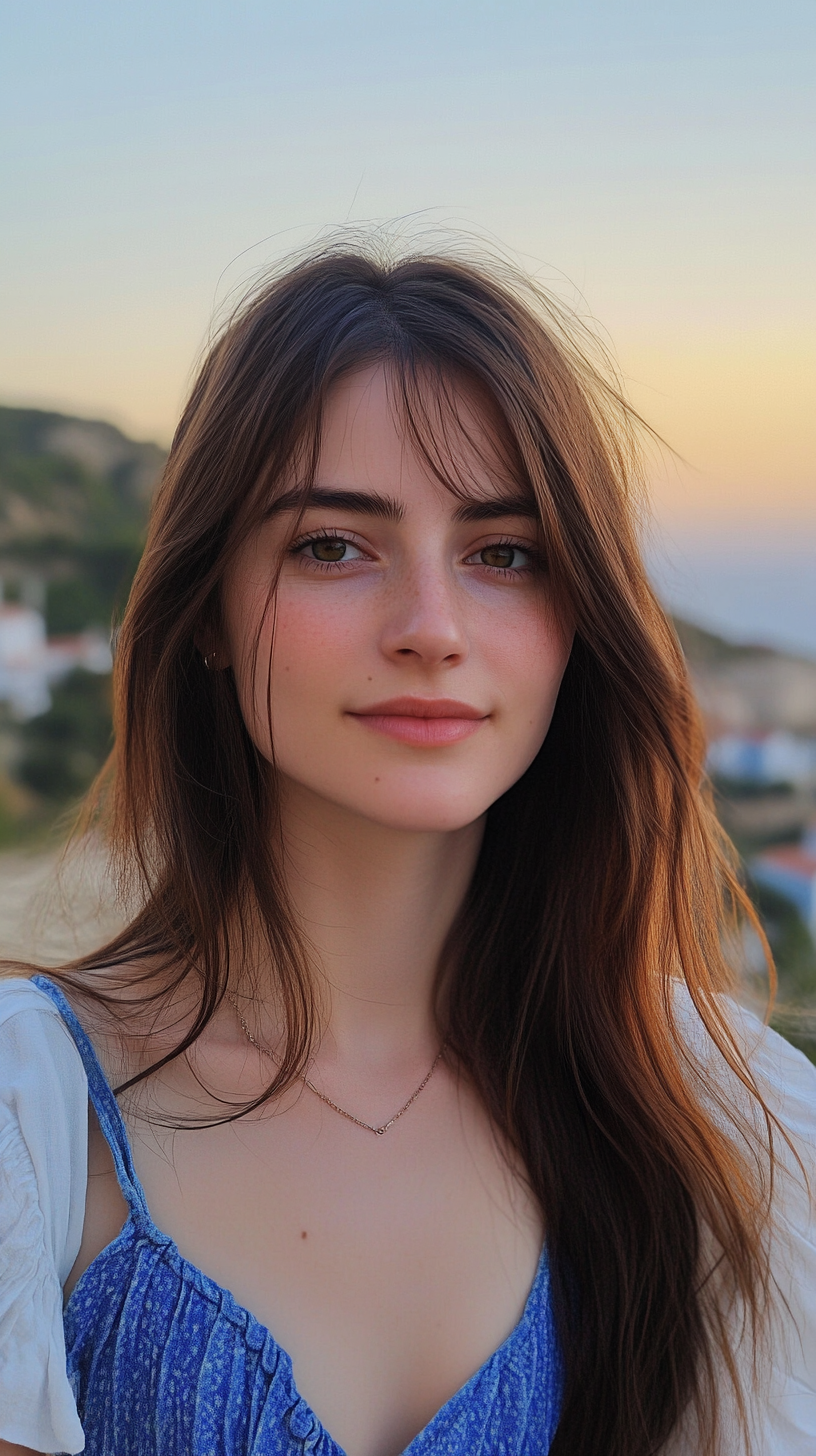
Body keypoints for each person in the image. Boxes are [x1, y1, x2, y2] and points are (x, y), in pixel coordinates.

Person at [0, 241, 814, 1456]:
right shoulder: (36, 1120)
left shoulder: (716, 1116)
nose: (432, 628)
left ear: (574, 621)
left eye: (505, 553)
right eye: (334, 544)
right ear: (211, 609)